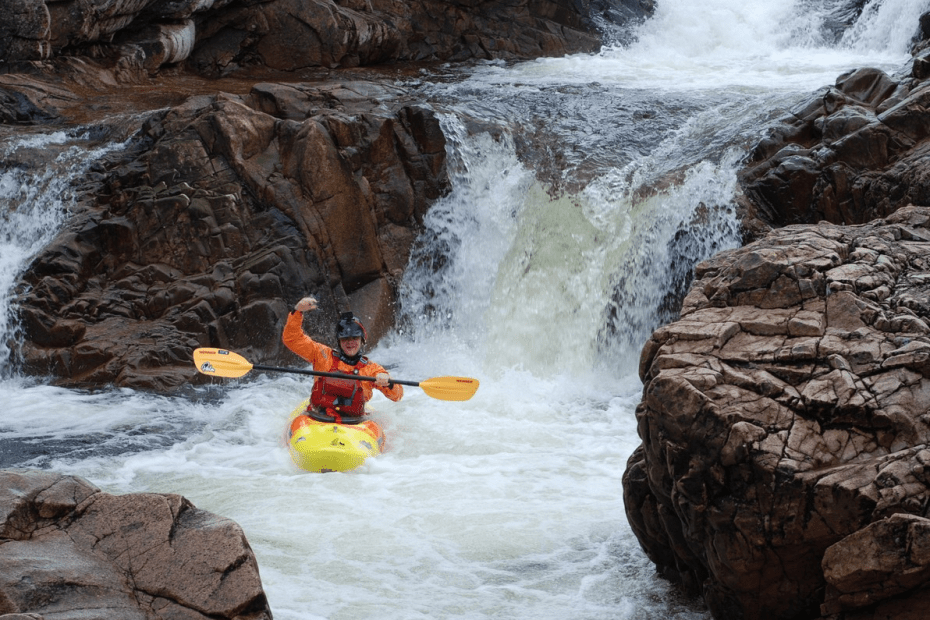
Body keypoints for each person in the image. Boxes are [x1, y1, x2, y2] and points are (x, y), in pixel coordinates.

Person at [282, 296, 403, 422]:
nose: (350, 343)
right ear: (339, 341)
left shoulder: (371, 369)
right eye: (345, 339)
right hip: (318, 418)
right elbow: (292, 339)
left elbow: (397, 395)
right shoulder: (322, 355)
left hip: (354, 423)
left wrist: (389, 382)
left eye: (354, 338)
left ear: (362, 340)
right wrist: (297, 311)